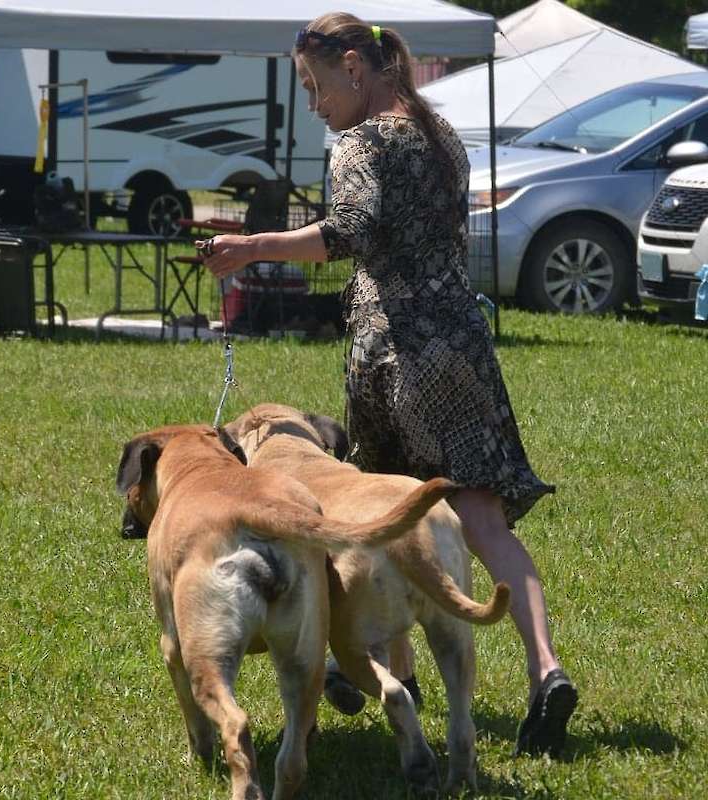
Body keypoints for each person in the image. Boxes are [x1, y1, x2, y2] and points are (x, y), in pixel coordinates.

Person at [199, 12, 577, 758]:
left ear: (353, 66)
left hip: (396, 354)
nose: (315, 106)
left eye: (316, 88)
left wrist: (250, 248)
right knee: (483, 522)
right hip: (463, 343)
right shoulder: (441, 136)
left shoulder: (363, 141)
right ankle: (546, 669)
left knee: (383, 519)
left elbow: (347, 233)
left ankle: (382, 675)